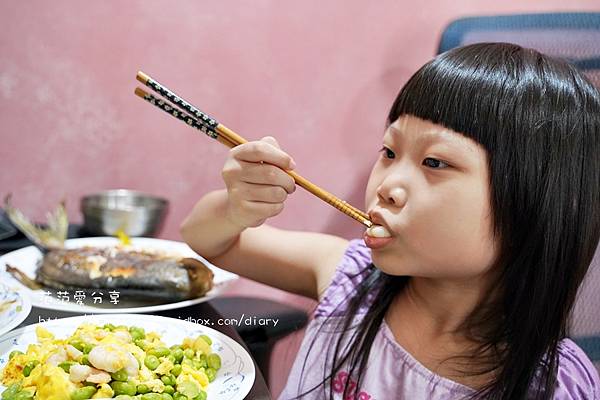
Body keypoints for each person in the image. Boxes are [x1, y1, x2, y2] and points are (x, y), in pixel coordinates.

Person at [180, 42, 600, 399]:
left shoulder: (553, 386)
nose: (387, 185)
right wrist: (236, 208)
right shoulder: (351, 279)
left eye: (434, 162)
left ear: (537, 201)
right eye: (389, 152)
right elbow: (209, 241)